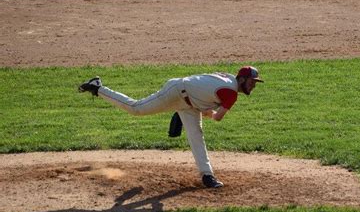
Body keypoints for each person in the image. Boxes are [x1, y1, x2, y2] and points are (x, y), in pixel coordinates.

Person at [78, 66, 264, 188]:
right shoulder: (231, 93)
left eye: (255, 83)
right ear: (241, 79)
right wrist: (206, 111)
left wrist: (200, 107)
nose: (253, 86)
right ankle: (98, 88)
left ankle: (207, 176)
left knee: (196, 136)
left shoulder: (227, 77)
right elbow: (217, 118)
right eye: (251, 82)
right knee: (137, 109)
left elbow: (205, 88)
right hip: (176, 92)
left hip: (189, 102)